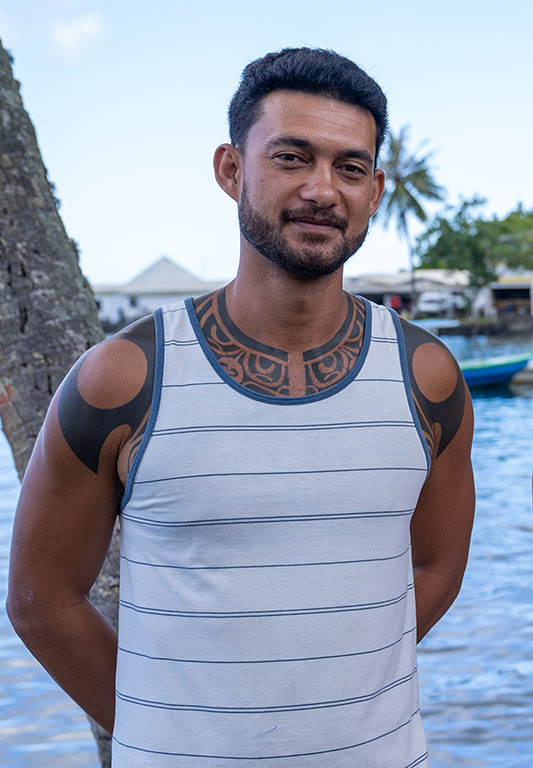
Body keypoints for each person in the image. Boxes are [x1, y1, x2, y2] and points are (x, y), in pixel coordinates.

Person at [7, 48, 475, 766]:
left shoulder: (427, 377)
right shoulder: (123, 379)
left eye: (350, 168)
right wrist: (172, 731)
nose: (322, 189)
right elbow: (42, 600)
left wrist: (333, 686)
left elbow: (437, 567)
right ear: (231, 169)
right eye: (291, 157)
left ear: (376, 190)